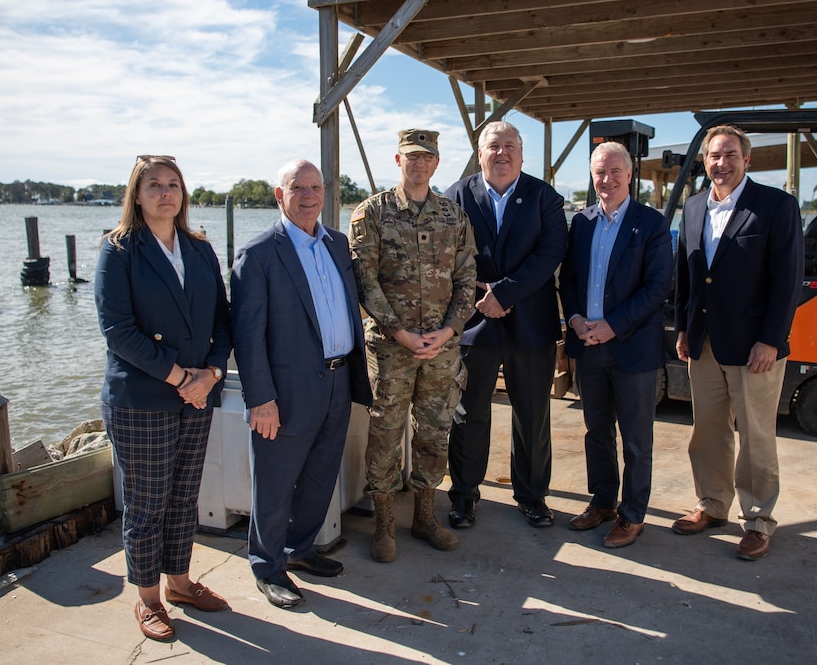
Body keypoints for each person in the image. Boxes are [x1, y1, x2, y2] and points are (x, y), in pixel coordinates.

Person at [95, 154, 232, 641]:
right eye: (154, 184)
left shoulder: (198, 248)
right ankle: (148, 599)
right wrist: (182, 377)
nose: (165, 192)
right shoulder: (120, 249)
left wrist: (212, 373)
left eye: (173, 184)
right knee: (147, 502)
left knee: (182, 497)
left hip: (196, 394)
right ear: (136, 194)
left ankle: (179, 582)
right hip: (143, 399)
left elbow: (222, 318)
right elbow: (118, 331)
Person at [231, 159, 372, 609]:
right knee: (274, 483)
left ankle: (298, 550)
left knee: (319, 477)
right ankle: (267, 567)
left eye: (316, 187)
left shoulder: (336, 243)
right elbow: (247, 337)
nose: (309, 196)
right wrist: (261, 400)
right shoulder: (257, 255)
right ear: (280, 195)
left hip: (337, 380)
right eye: (299, 188)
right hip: (286, 392)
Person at [672, 125, 803, 560]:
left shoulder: (775, 206)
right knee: (707, 431)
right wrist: (683, 329)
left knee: (756, 437)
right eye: (714, 156)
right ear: (704, 161)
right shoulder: (693, 208)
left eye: (730, 155)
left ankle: (759, 520)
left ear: (747, 160)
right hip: (704, 342)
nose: (721, 163)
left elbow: (788, 281)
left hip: (754, 347)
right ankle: (712, 505)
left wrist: (771, 339)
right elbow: (687, 277)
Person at [348, 128, 476, 563]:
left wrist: (449, 330)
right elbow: (364, 279)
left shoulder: (452, 215)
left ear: (437, 162)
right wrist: (399, 331)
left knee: (435, 433)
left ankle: (425, 515)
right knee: (385, 433)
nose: (419, 163)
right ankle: (383, 524)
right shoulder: (372, 213)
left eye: (428, 157)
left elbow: (466, 279)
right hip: (390, 348)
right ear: (397, 160)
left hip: (441, 348)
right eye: (411, 157)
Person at [444, 121, 567, 529]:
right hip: (474, 322)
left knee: (532, 415)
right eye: (493, 146)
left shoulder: (543, 196)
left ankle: (532, 496)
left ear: (522, 153)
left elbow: (551, 252)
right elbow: (449, 253)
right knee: (469, 413)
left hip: (530, 324)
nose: (502, 153)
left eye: (509, 145)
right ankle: (463, 495)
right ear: (479, 154)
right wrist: (485, 296)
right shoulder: (457, 195)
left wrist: (505, 294)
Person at [558, 142, 673, 548]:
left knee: (636, 439)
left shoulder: (652, 224)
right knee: (597, 431)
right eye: (599, 173)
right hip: (588, 345)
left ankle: (632, 514)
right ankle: (603, 500)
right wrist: (574, 319)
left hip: (631, 348)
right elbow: (569, 278)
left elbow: (657, 286)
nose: (606, 180)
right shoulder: (583, 223)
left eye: (614, 172)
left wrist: (612, 325)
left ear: (630, 174)